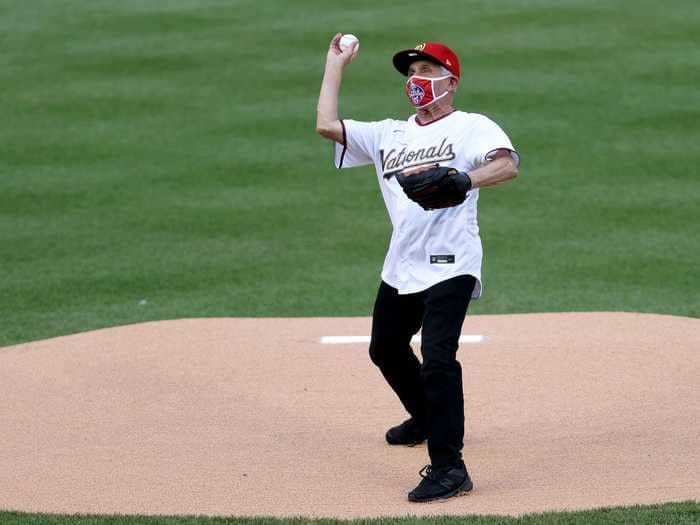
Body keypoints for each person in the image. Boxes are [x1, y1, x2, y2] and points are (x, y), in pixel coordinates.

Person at [315, 34, 520, 503]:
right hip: (402, 263)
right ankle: (426, 418)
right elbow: (327, 125)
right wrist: (335, 65)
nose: (416, 81)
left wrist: (465, 178)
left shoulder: (472, 127)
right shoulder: (390, 133)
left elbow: (507, 165)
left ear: (451, 81)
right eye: (411, 74)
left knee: (438, 359)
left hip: (453, 262)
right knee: (385, 348)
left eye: (426, 72)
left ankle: (451, 469)